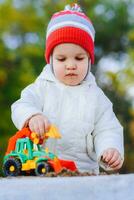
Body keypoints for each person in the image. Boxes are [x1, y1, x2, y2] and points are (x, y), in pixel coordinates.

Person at [11, 3, 124, 174]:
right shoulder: (42, 87)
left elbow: (107, 128)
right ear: (51, 60)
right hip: (44, 169)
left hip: (84, 172)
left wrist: (110, 149)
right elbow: (21, 104)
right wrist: (32, 115)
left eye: (79, 58)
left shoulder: (96, 97)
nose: (70, 65)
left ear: (89, 60)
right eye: (62, 59)